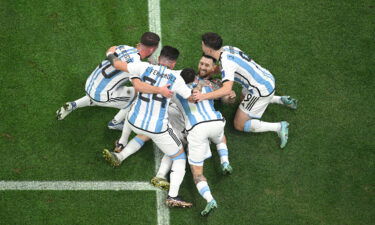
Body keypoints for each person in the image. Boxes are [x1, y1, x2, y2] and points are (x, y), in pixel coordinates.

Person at [103, 46, 194, 208]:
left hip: (133, 122)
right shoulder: (176, 79)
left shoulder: (144, 66)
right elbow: (192, 98)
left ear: (159, 58)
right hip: (156, 128)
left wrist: (110, 53)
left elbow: (117, 64)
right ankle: (173, 196)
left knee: (142, 132)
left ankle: (120, 151)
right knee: (179, 156)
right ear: (173, 64)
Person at [194, 32, 298, 148]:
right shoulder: (228, 49)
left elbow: (226, 90)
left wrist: (202, 96)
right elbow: (228, 66)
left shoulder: (226, 63)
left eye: (202, 45)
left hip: (259, 91)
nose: (201, 46)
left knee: (239, 124)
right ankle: (279, 99)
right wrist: (213, 71)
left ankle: (279, 126)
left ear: (208, 50)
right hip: (265, 77)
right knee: (242, 99)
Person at [56, 32, 169, 129]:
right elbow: (139, 86)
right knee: (139, 97)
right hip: (101, 94)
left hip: (90, 83)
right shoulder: (137, 65)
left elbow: (112, 49)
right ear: (152, 49)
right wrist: (160, 90)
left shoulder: (123, 47)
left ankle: (73, 105)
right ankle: (115, 123)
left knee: (101, 91)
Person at [171, 71, 232, 216]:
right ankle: (225, 161)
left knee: (197, 174)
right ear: (195, 78)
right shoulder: (208, 86)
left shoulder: (176, 92)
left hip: (197, 128)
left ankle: (209, 199)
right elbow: (224, 91)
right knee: (220, 137)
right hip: (216, 122)